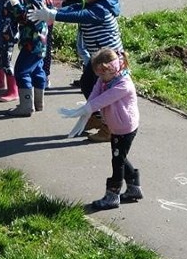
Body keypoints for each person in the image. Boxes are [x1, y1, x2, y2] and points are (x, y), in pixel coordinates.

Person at [28, 0, 123, 142]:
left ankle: (109, 128)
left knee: (105, 94)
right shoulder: (96, 3)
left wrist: (53, 15)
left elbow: (79, 15)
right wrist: (55, 10)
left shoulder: (100, 10)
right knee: (87, 84)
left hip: (109, 62)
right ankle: (96, 117)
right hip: (98, 58)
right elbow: (76, 7)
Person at [60, 48, 141, 210]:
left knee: (117, 160)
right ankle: (134, 188)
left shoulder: (124, 85)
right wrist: (86, 113)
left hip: (125, 128)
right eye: (98, 75)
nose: (100, 79)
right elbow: (95, 93)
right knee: (120, 157)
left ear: (114, 68)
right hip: (115, 126)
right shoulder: (105, 79)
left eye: (102, 74)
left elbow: (103, 99)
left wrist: (87, 108)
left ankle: (112, 196)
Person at [7, 0, 53, 117]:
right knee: (37, 70)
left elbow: (26, 17)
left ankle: (26, 105)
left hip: (31, 43)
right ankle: (38, 102)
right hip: (41, 41)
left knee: (21, 71)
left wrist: (15, 5)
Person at [61, 0, 103, 87]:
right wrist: (65, 0)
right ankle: (89, 75)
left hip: (86, 18)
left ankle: (92, 75)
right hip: (84, 16)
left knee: (83, 48)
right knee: (83, 48)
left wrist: (65, 3)